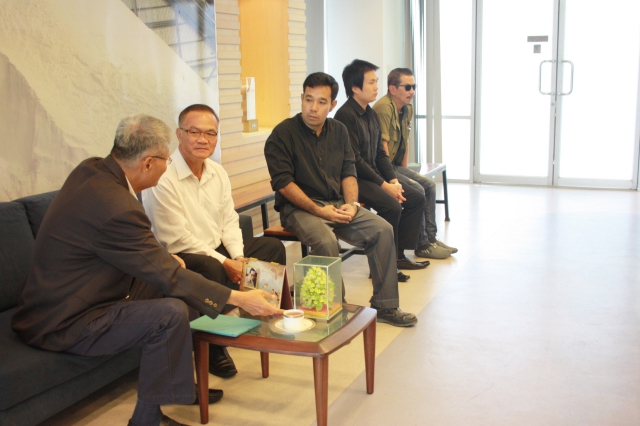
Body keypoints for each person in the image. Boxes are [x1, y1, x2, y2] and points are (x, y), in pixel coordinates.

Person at [11, 114, 282, 426]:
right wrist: (240, 298)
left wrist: (165, 258)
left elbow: (124, 246)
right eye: (167, 159)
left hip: (79, 291)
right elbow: (163, 269)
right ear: (149, 163)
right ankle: (145, 419)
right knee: (169, 313)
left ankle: (179, 384)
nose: (169, 165)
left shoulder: (92, 169)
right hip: (65, 319)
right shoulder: (117, 206)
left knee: (184, 280)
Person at [142, 104, 289, 379]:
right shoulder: (164, 177)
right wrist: (226, 262)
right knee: (210, 267)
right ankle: (215, 347)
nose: (203, 139)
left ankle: (259, 318)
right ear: (179, 134)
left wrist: (239, 257)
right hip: (181, 255)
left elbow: (229, 220)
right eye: (194, 132)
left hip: (215, 247)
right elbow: (176, 237)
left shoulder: (217, 172)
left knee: (271, 248)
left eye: (210, 133)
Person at [264, 72, 417, 327]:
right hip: (299, 209)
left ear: (332, 104)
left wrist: (353, 204)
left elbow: (348, 172)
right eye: (309, 99)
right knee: (326, 241)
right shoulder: (283, 134)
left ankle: (386, 306)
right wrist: (319, 211)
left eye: (321, 102)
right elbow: (283, 183)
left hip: (337, 203)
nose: (313, 107)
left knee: (382, 229)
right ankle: (336, 310)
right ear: (301, 98)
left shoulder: (339, 131)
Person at [334, 59, 429, 276]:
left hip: (372, 175)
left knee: (415, 197)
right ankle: (383, 267)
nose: (377, 87)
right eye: (371, 82)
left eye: (376, 82)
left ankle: (398, 255)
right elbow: (355, 161)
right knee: (392, 206)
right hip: (354, 178)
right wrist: (385, 185)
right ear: (355, 87)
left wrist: (393, 180)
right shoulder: (345, 116)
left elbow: (380, 154)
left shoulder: (370, 113)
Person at [373, 68, 457, 258]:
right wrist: (395, 178)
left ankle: (430, 239)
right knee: (419, 188)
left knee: (429, 185)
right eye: (408, 87)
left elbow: (405, 140)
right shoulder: (384, 108)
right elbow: (383, 147)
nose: (412, 91)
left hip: (395, 166)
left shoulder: (407, 108)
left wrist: (405, 171)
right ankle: (422, 244)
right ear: (393, 89)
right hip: (383, 169)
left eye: (414, 87)